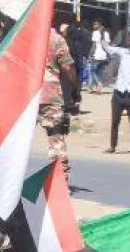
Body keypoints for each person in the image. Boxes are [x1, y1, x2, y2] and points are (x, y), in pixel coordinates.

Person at [41, 24, 79, 179]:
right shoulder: (56, 40)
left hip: (25, 94)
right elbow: (68, 67)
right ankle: (59, 180)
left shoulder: (24, 36)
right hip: (49, 92)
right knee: (56, 136)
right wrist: (75, 90)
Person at [88, 20, 108, 94]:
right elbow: (108, 45)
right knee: (99, 72)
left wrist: (90, 54)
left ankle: (98, 83)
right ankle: (98, 87)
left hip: (97, 55)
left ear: (99, 26)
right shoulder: (106, 34)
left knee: (93, 71)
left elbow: (94, 45)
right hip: (104, 56)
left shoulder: (95, 33)